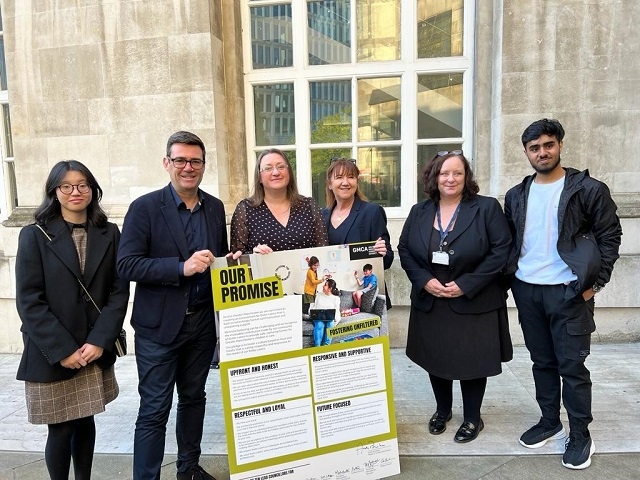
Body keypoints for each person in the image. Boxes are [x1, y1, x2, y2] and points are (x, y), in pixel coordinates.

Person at [504, 119, 622, 470]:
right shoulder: (516, 194)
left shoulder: (588, 189)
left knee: (572, 366)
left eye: (548, 145)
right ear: (526, 152)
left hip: (570, 293)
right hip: (528, 291)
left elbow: (609, 237)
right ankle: (550, 421)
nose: (542, 152)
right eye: (534, 147)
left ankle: (581, 433)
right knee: (542, 362)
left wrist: (595, 285)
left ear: (559, 146)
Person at [117, 131, 228, 480]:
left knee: (194, 399)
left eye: (195, 161)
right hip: (159, 329)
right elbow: (127, 264)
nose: (188, 167)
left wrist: (232, 262)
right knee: (154, 410)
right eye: (180, 160)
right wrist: (180, 268)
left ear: (204, 165)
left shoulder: (215, 207)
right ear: (167, 163)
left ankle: (188, 470)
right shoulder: (145, 208)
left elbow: (217, 259)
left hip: (202, 326)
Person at [15, 160, 129, 480]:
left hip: (93, 348)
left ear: (92, 190)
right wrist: (64, 350)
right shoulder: (33, 236)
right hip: (52, 352)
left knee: (85, 420)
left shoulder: (109, 233)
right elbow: (29, 301)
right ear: (54, 192)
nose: (75, 192)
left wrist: (99, 341)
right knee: (61, 428)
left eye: (82, 185)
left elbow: (118, 293)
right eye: (66, 186)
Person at [398, 150, 512, 444]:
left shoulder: (486, 208)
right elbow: (405, 249)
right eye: (444, 173)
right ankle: (443, 410)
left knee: (472, 362)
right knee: (437, 358)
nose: (450, 179)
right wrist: (425, 281)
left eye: (457, 173)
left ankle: (473, 418)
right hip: (432, 299)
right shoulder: (419, 211)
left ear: (466, 177)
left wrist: (466, 284)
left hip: (474, 300)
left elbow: (502, 250)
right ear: (433, 177)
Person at [322, 157, 393, 305]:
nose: (346, 182)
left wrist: (383, 252)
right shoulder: (322, 216)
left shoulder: (372, 212)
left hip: (362, 299)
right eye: (339, 177)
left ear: (357, 182)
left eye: (351, 177)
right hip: (332, 298)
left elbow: (387, 261)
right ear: (330, 184)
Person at [230, 148, 328, 254]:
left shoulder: (309, 205)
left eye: (281, 167)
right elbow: (236, 258)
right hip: (264, 271)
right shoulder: (245, 209)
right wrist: (254, 255)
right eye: (268, 168)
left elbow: (324, 251)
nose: (276, 172)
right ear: (259, 177)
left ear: (289, 172)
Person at [309, 278, 341, 346]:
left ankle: (326, 346)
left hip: (329, 319)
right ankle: (317, 347)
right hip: (318, 317)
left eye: (325, 285)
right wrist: (312, 313)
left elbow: (337, 313)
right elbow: (312, 306)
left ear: (330, 288)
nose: (323, 286)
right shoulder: (318, 295)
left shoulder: (336, 299)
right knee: (320, 325)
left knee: (330, 324)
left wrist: (334, 321)